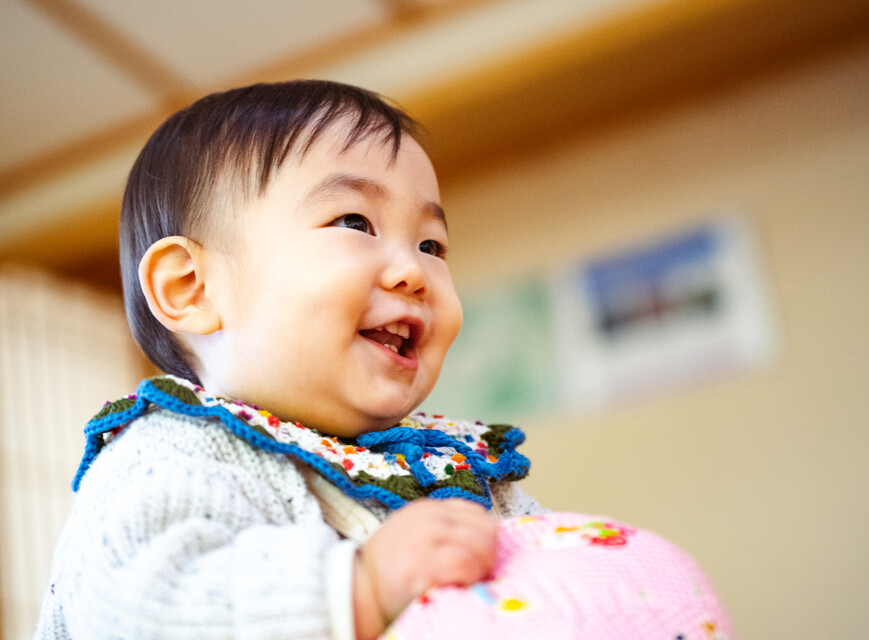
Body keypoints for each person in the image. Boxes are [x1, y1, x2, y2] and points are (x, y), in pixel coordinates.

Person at [36, 80, 733, 640]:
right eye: (354, 224)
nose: (414, 272)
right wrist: (360, 586)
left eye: (432, 245)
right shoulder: (172, 451)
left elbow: (535, 585)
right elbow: (141, 606)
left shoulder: (450, 469)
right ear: (193, 289)